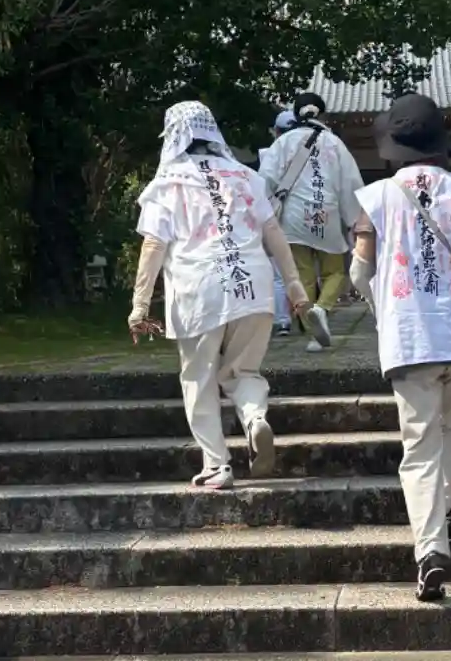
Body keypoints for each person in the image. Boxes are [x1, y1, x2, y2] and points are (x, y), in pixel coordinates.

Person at [129, 100, 330, 490]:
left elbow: (153, 245)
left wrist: (140, 305)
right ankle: (255, 418)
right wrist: (296, 290)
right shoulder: (245, 176)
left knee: (199, 377)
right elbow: (274, 235)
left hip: (198, 287)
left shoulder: (168, 182)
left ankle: (217, 464)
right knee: (244, 372)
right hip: (253, 285)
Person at [351, 93, 451, 602]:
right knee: (443, 427)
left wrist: (381, 304)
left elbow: (360, 270)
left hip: (411, 336)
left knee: (419, 445)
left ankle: (431, 550)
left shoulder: (377, 196)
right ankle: (447, 511)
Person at [260, 92, 364, 352]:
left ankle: (313, 335)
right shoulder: (334, 143)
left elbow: (266, 179)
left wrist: (264, 214)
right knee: (336, 272)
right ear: (322, 113)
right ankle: (323, 308)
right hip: (326, 215)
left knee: (301, 276)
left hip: (293, 218)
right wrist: (353, 218)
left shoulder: (283, 142)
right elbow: (350, 182)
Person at [259, 108, 299, 336]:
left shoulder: (267, 156)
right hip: (301, 219)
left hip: (274, 217)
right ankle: (307, 314)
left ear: (276, 131)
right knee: (302, 269)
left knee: (277, 272)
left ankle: (283, 320)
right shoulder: (308, 154)